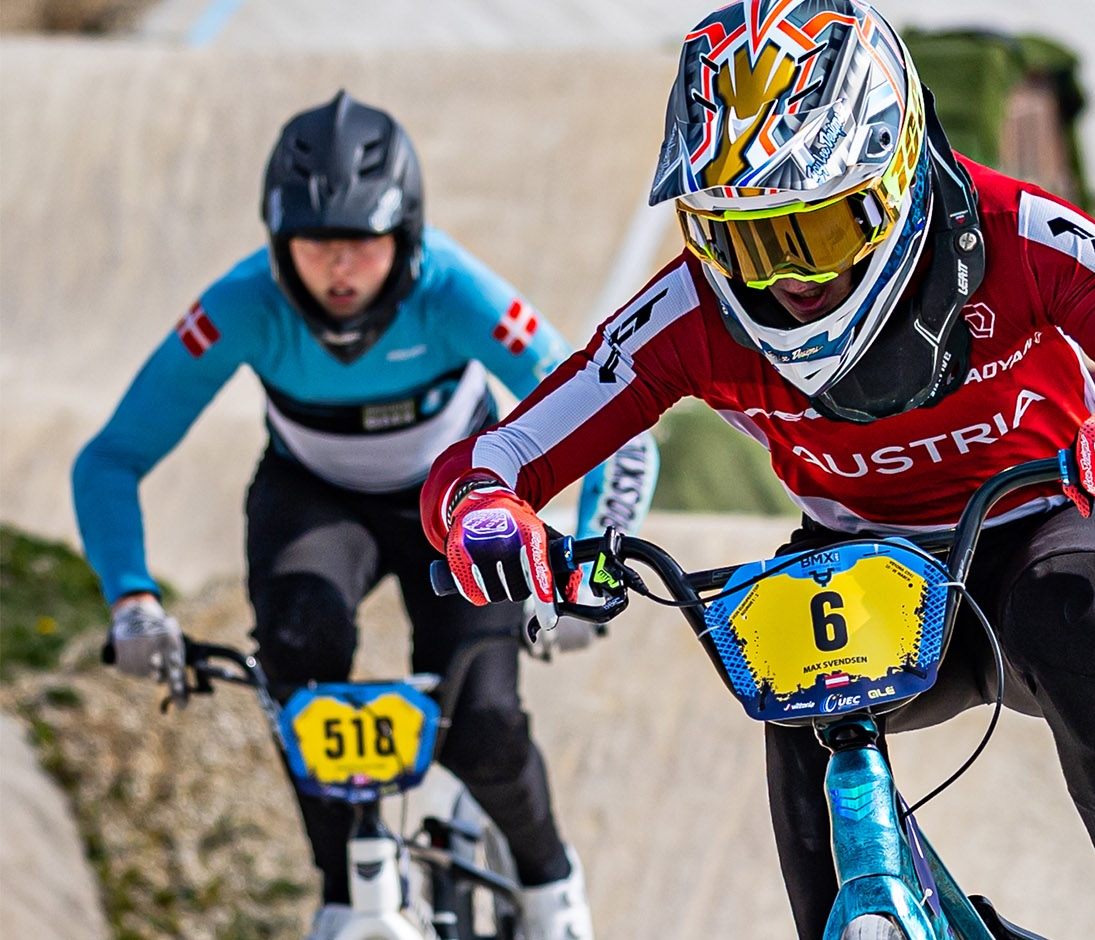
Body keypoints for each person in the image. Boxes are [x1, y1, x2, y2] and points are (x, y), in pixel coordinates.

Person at [419, 4, 1095, 939]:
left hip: (1049, 522)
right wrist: (486, 515)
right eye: (746, 241)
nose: (787, 279)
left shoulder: (1022, 231)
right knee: (786, 676)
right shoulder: (693, 307)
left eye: (818, 229)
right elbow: (493, 460)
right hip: (862, 563)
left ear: (899, 176)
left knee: (1083, 616)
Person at [72, 91, 658, 940]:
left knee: (484, 726)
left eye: (363, 244)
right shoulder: (241, 303)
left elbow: (614, 424)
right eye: (315, 245)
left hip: (460, 500)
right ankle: (344, 890)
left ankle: (549, 885)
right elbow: (110, 458)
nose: (339, 270)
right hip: (314, 499)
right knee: (299, 660)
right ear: (277, 243)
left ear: (407, 236)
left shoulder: (456, 289)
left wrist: (586, 575)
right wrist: (132, 600)